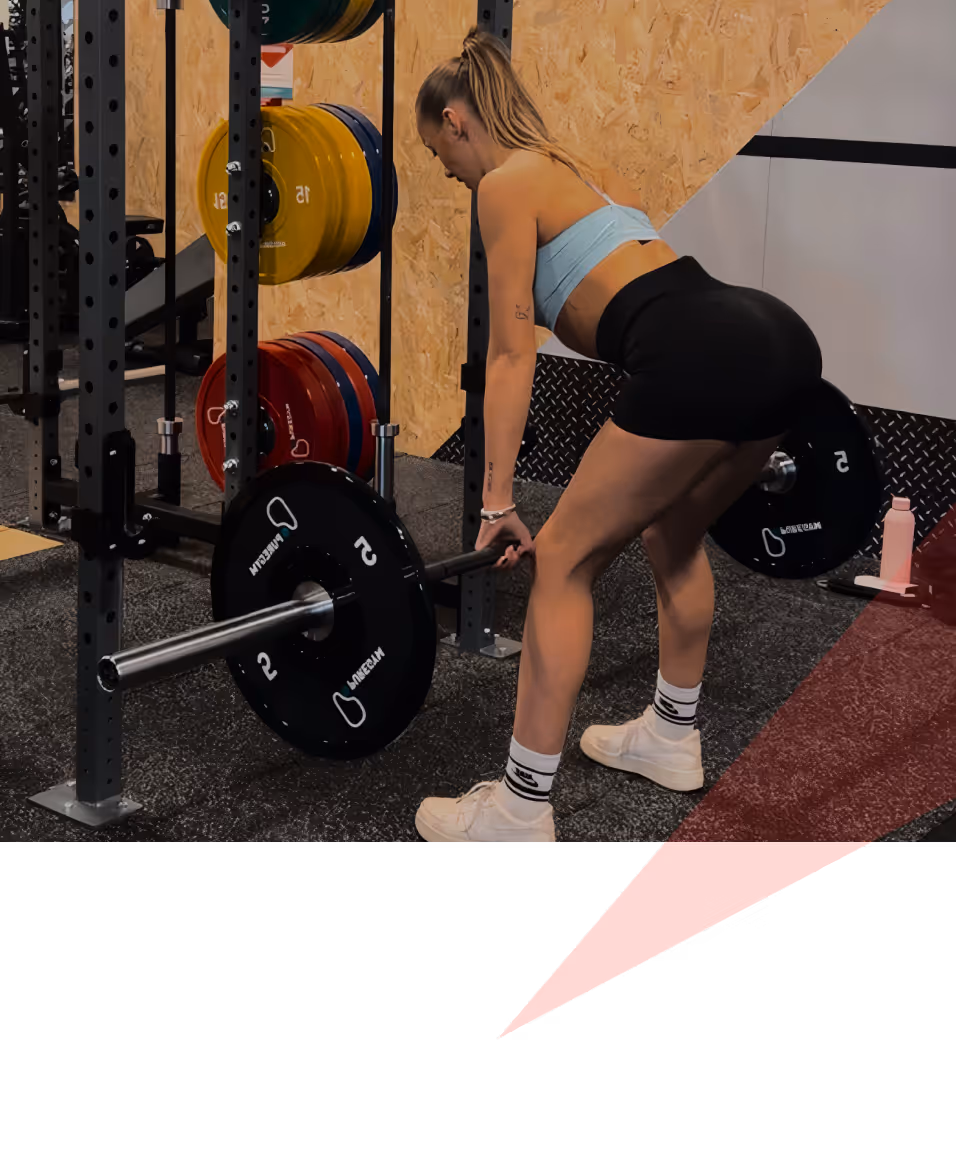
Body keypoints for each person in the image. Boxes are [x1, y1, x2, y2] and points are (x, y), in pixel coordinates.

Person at [412, 28, 823, 842]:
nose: (450, 175)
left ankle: (519, 809)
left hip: (696, 352)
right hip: (775, 340)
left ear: (457, 120)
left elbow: (508, 349)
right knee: (673, 531)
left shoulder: (506, 184)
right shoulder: (571, 171)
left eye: (438, 155)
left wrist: (496, 500)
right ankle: (672, 736)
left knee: (564, 558)